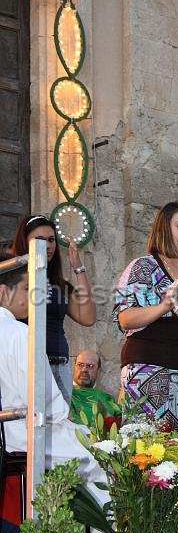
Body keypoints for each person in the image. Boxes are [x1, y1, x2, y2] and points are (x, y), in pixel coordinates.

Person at [0, 253, 106, 507]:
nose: (31, 297)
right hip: (24, 434)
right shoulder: (20, 333)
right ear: (4, 292)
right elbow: (47, 403)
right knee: (105, 464)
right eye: (27, 288)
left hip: (8, 431)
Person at [112, 200, 178, 433]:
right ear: (165, 228)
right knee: (148, 453)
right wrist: (163, 306)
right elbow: (126, 318)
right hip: (149, 374)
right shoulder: (142, 267)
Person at [12, 215, 96, 405]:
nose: (48, 246)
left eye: (51, 240)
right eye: (40, 240)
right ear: (25, 242)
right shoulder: (12, 280)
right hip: (26, 364)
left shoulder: (59, 284)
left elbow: (88, 317)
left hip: (59, 367)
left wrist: (78, 267)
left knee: (59, 428)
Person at [69, 349, 121, 427]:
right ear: (74, 367)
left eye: (90, 366)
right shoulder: (64, 394)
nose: (84, 370)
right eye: (80, 365)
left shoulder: (107, 399)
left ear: (98, 371)